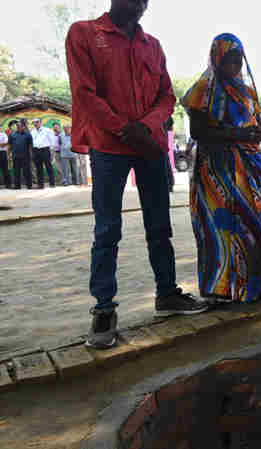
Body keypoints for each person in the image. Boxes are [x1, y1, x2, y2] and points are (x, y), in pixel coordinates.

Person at [66, 0, 208, 350]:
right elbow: (85, 94)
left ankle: (167, 294)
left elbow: (166, 95)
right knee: (107, 229)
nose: (140, 4)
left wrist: (144, 128)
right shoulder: (85, 34)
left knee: (160, 225)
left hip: (150, 146)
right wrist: (124, 128)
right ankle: (103, 309)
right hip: (108, 147)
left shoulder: (152, 45)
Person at [182, 33, 261, 304]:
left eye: (239, 59)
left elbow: (258, 125)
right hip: (216, 171)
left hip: (248, 168)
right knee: (219, 228)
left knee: (252, 226)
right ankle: (220, 289)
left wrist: (256, 133)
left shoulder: (247, 91)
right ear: (217, 58)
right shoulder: (203, 90)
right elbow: (198, 131)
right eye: (229, 59)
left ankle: (255, 287)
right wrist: (239, 135)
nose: (235, 64)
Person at [30, 118, 57, 188]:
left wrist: (52, 151)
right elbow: (32, 142)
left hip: (45, 150)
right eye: (34, 123)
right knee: (38, 168)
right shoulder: (32, 131)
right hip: (36, 151)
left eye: (37, 122)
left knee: (48, 167)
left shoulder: (47, 130)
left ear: (40, 123)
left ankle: (52, 183)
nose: (35, 124)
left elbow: (52, 140)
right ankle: (40, 184)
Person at [10, 119, 33, 190]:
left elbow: (30, 145)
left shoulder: (28, 134)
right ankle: (17, 186)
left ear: (23, 126)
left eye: (20, 126)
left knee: (27, 171)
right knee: (16, 171)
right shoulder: (12, 134)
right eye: (17, 126)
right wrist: (9, 155)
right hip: (15, 156)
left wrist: (31, 155)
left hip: (25, 156)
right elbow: (10, 145)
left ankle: (29, 185)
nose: (19, 127)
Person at [0, 122, 10, 188]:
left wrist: (2, 145)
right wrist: (1, 144)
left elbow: (6, 143)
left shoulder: (3, 134)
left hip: (2, 153)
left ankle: (8, 184)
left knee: (5, 169)